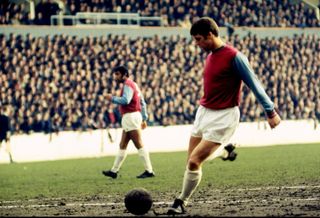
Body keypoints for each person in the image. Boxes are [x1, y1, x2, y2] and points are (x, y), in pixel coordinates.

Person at [167, 17, 281, 214]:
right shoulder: (210, 54)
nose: (197, 44)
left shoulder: (235, 57)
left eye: (198, 39)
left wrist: (270, 111)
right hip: (203, 113)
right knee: (191, 163)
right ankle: (225, 150)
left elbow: (254, 84)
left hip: (224, 116)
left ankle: (181, 202)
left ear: (210, 35)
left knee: (195, 161)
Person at [102, 66, 155, 179]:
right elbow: (142, 102)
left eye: (117, 74)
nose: (115, 77)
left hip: (130, 116)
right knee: (123, 144)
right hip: (132, 116)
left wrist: (112, 98)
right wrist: (144, 118)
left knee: (139, 143)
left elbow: (126, 100)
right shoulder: (134, 84)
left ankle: (149, 171)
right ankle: (114, 171)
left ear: (124, 74)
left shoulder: (127, 84)